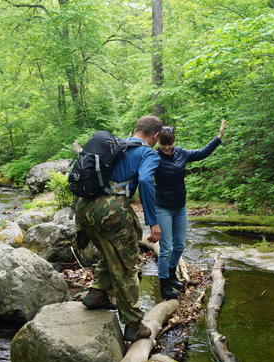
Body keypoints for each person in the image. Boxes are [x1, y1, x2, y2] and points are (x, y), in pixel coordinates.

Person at [75, 115, 163, 342]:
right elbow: (145, 181)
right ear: (155, 136)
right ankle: (133, 325)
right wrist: (153, 221)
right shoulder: (148, 153)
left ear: (135, 130)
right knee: (126, 265)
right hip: (111, 209)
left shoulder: (116, 145)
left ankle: (96, 294)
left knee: (109, 251)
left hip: (84, 208)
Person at [155, 120, 226, 299]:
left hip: (180, 207)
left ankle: (171, 275)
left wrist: (218, 138)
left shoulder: (181, 153)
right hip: (163, 207)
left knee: (179, 245)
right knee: (166, 248)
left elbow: (202, 153)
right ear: (158, 142)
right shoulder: (154, 157)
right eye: (163, 144)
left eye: (169, 143)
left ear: (174, 141)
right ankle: (163, 285)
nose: (166, 147)